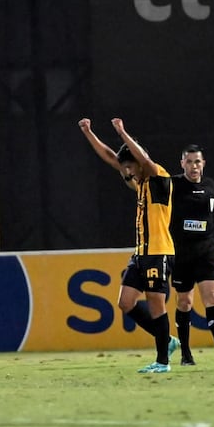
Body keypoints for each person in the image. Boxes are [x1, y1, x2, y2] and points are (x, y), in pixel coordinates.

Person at [79, 117, 179, 373]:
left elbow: (144, 160)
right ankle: (167, 340)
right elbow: (113, 158)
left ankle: (163, 361)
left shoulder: (158, 177)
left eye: (130, 168)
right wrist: (89, 133)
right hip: (141, 253)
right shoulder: (142, 184)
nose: (128, 173)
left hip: (159, 252)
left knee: (156, 302)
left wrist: (122, 132)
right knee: (125, 302)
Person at [170, 144, 214, 366]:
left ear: (203, 163)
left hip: (206, 251)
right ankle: (185, 353)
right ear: (182, 164)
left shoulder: (210, 185)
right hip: (182, 253)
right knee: (184, 301)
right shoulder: (174, 185)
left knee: (212, 298)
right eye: (189, 162)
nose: (193, 166)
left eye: (197, 161)